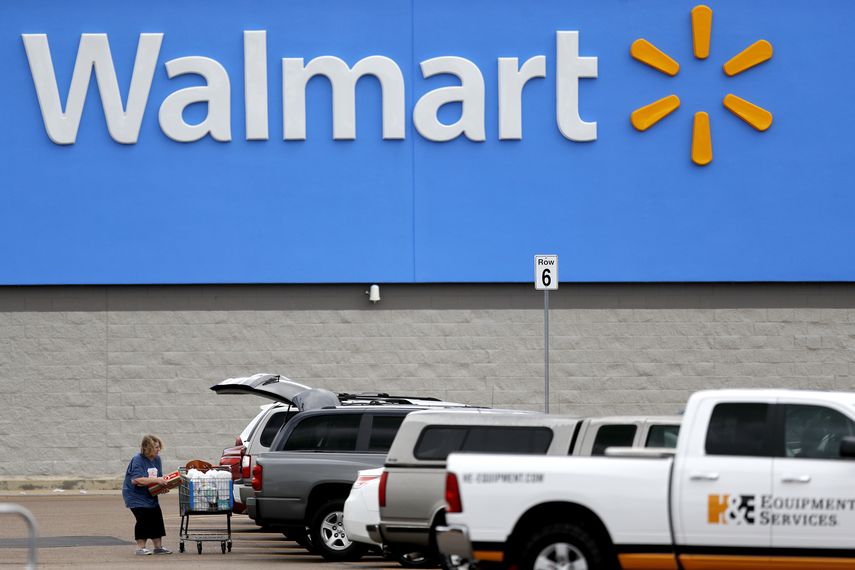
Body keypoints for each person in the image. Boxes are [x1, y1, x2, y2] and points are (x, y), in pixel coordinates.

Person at [122, 434, 172, 555]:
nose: (158, 449)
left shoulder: (157, 459)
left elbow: (158, 478)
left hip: (150, 495)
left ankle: (158, 547)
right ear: (147, 448)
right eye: (155, 447)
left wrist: (162, 487)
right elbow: (136, 480)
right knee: (143, 519)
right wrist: (157, 481)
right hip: (135, 496)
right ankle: (141, 548)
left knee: (156, 517)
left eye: (159, 447)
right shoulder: (138, 459)